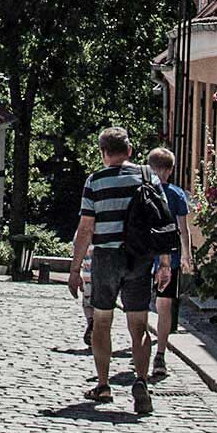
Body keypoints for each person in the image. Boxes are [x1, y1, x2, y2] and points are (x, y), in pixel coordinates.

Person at [68, 127, 171, 415]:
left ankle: (103, 384)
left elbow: (86, 228)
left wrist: (75, 269)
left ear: (103, 153)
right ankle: (140, 380)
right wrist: (164, 263)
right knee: (138, 324)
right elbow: (162, 221)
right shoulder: (147, 176)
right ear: (129, 150)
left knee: (102, 321)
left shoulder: (95, 181)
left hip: (106, 257)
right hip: (140, 257)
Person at [146, 147, 192, 376]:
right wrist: (187, 256)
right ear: (171, 170)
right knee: (165, 307)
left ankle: (141, 348)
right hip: (171, 257)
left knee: (142, 306)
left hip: (145, 256)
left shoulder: (142, 191)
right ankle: (160, 355)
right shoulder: (176, 194)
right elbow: (183, 230)